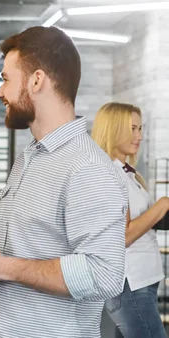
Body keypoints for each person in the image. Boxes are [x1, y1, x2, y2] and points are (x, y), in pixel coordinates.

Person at [0, 26, 129, 338]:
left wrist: (4, 267)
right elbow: (29, 253)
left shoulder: (87, 167)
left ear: (37, 80)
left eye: (5, 79)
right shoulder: (31, 157)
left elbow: (105, 273)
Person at [92, 102, 168, 338]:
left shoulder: (127, 173)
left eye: (140, 128)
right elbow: (121, 236)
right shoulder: (109, 174)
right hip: (130, 286)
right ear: (114, 129)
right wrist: (162, 205)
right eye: (133, 129)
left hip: (141, 283)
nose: (140, 136)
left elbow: (140, 222)